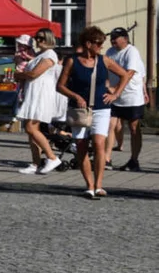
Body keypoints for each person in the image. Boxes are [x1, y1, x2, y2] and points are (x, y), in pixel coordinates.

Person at [56, 27, 132, 199]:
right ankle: (89, 185)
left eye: (101, 44)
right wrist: (75, 96)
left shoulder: (104, 60)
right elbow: (60, 86)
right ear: (88, 44)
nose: (100, 47)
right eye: (98, 44)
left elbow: (125, 75)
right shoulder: (72, 61)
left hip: (101, 107)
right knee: (81, 146)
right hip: (79, 110)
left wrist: (115, 94)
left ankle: (99, 185)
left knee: (99, 144)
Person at [14, 28, 62, 175]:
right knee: (31, 132)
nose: (38, 41)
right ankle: (35, 162)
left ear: (49, 39)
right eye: (37, 38)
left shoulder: (49, 54)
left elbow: (34, 74)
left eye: (41, 38)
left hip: (41, 95)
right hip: (33, 94)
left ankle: (52, 157)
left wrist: (21, 74)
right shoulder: (38, 55)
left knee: (31, 128)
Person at [104, 27, 147, 171]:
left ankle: (134, 160)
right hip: (114, 96)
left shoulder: (131, 51)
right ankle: (107, 159)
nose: (113, 41)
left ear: (125, 39)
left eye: (116, 38)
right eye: (112, 38)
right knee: (110, 125)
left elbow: (129, 74)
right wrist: (106, 85)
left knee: (134, 128)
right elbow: (105, 70)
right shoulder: (110, 52)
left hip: (131, 96)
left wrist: (115, 90)